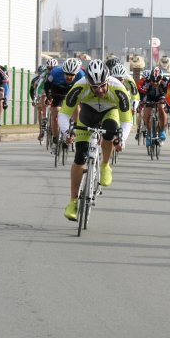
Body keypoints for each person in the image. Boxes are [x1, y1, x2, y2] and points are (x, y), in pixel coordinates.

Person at [60, 60, 133, 221]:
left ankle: (105, 165)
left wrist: (122, 140)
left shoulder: (118, 89)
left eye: (102, 85)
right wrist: (67, 131)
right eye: (94, 86)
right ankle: (73, 201)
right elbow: (63, 114)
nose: (99, 90)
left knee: (110, 133)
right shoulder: (80, 86)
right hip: (88, 112)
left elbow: (127, 120)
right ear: (88, 83)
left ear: (108, 80)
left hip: (110, 112)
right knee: (80, 156)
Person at [41, 57, 85, 149]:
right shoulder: (55, 72)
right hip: (57, 90)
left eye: (72, 75)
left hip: (72, 90)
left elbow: (85, 90)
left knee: (77, 106)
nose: (69, 77)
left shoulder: (81, 75)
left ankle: (74, 127)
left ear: (76, 73)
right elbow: (47, 85)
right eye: (67, 74)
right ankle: (55, 137)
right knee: (55, 116)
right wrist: (49, 96)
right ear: (63, 71)